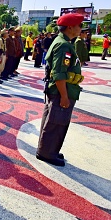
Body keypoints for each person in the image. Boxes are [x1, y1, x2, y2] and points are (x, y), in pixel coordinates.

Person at [36, 13, 84, 167]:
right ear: (70, 27)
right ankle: (47, 153)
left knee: (53, 120)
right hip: (60, 91)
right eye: (79, 25)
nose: (81, 29)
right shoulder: (63, 45)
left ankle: (49, 149)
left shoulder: (64, 42)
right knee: (56, 122)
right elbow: (59, 73)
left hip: (60, 90)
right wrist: (64, 95)